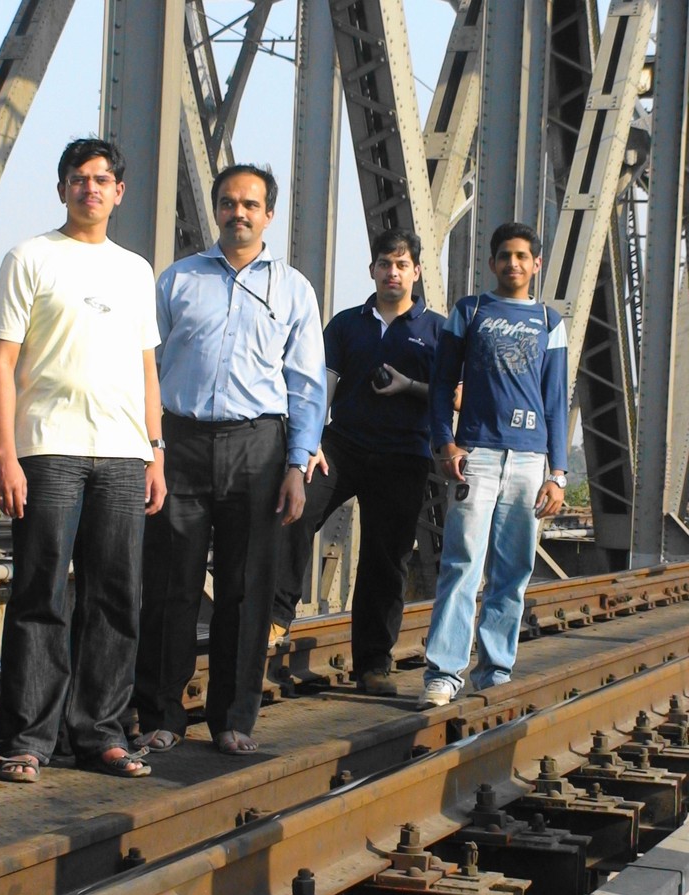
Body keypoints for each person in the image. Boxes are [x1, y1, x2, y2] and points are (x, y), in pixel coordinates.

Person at [0, 137, 166, 781]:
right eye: (79, 178)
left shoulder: (136, 270)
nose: (91, 188)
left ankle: (101, 735)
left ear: (120, 191)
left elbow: (148, 368)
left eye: (103, 179)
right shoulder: (29, 257)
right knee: (40, 595)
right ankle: (29, 741)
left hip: (122, 452)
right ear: (62, 188)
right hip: (48, 448)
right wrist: (6, 454)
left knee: (117, 597)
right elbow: (3, 364)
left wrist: (156, 451)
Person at [133, 163, 326, 755]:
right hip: (182, 441)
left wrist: (296, 464)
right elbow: (144, 366)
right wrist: (150, 449)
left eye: (250, 204)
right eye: (227, 202)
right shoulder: (177, 281)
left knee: (246, 588)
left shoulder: (293, 289)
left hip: (258, 447)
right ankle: (161, 712)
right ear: (216, 209)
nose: (237, 212)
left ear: (269, 215)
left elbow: (306, 384)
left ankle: (233, 719)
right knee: (172, 583)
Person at [269, 229, 445, 695]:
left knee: (386, 560)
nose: (393, 272)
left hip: (403, 453)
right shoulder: (346, 324)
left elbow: (453, 398)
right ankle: (276, 615)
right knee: (295, 513)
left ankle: (373, 664)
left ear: (417, 272)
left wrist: (409, 386)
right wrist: (312, 441)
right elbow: (321, 385)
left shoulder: (437, 330)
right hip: (341, 446)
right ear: (373, 270)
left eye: (402, 264)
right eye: (385, 263)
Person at [417, 221, 568, 709]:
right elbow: (442, 384)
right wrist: (446, 444)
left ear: (536, 263)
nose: (514, 264)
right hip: (477, 454)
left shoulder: (549, 322)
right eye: (505, 255)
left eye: (523, 256)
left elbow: (555, 403)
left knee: (513, 570)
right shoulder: (470, 311)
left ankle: (495, 670)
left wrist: (558, 473)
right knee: (461, 565)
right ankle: (443, 673)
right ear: (492, 263)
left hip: (528, 460)